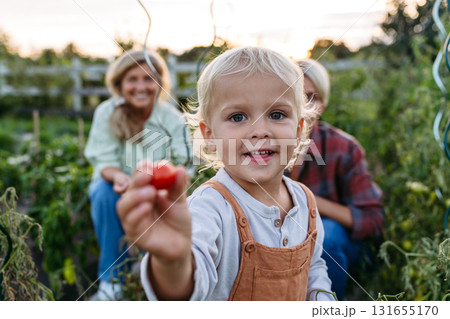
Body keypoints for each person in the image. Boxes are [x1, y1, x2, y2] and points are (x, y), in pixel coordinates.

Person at [116, 46, 335, 301]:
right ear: (210, 136)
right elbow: (189, 286)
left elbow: (315, 269)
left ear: (299, 130)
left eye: (277, 114)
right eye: (238, 116)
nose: (259, 131)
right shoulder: (210, 207)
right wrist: (173, 262)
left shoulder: (305, 201)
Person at [84, 49, 192, 300]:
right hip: (116, 186)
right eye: (133, 79)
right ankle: (111, 283)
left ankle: (151, 281)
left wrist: (157, 183)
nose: (141, 86)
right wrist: (119, 178)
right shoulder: (106, 112)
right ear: (119, 83)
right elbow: (104, 160)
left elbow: (184, 163)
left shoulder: (173, 119)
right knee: (102, 192)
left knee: (162, 207)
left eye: (148, 79)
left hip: (159, 187)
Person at [290, 58, 384, 300]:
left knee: (326, 237)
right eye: (295, 96)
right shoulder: (264, 146)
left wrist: (307, 198)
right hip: (286, 241)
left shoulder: (343, 147)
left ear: (323, 104)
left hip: (335, 244)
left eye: (312, 98)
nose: (304, 106)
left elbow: (372, 220)